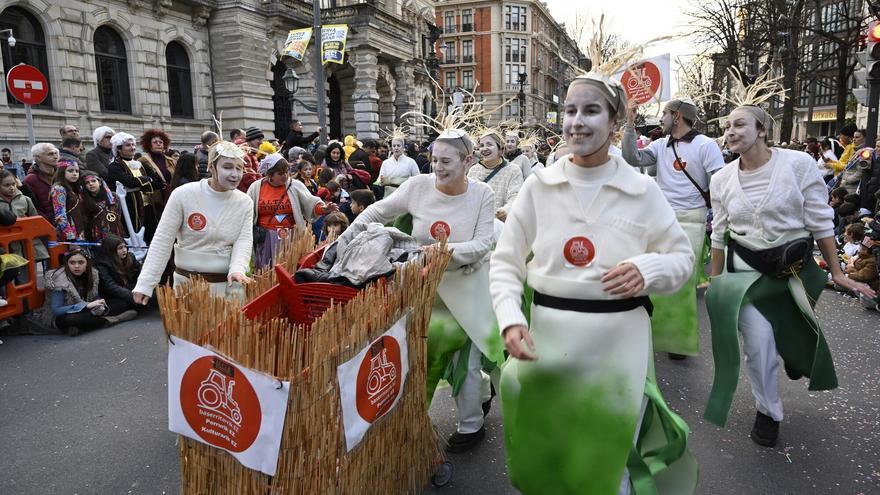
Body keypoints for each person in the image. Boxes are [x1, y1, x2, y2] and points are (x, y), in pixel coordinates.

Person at [489, 69, 697, 494]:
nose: (576, 121)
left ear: (615, 122)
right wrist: (511, 319)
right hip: (546, 347)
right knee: (549, 455)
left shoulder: (641, 190)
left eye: (590, 111)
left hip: (617, 350)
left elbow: (682, 259)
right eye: (569, 110)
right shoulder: (538, 186)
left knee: (606, 462)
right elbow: (506, 263)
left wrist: (648, 270)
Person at [703, 101, 876, 448]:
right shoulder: (720, 178)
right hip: (745, 273)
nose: (730, 132)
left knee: (784, 331)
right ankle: (768, 412)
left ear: (762, 130)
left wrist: (839, 273)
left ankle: (793, 350)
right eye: (727, 127)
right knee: (758, 342)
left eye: (739, 125)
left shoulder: (797, 165)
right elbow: (719, 233)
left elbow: (819, 219)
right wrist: (717, 281)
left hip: (793, 272)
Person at [340, 124, 502, 454]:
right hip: (422, 283)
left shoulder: (482, 195)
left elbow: (485, 241)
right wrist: (346, 237)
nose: (438, 168)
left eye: (447, 162)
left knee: (465, 363)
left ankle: (471, 425)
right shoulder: (418, 186)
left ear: (467, 161)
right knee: (421, 355)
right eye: (434, 160)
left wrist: (446, 251)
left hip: (468, 284)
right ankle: (474, 397)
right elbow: (377, 210)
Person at [622, 97, 725, 360]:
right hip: (660, 219)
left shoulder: (706, 146)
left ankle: (678, 341)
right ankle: (653, 335)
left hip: (691, 219)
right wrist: (630, 125)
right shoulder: (660, 144)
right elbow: (631, 158)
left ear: (677, 116)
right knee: (652, 276)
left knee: (681, 281)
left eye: (665, 113)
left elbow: (720, 184)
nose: (661, 118)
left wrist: (720, 220)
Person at [132, 138, 254, 303]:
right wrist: (145, 283)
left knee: (224, 328)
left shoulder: (244, 201)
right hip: (187, 286)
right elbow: (163, 239)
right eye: (227, 167)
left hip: (227, 286)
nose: (235, 174)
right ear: (211, 167)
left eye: (239, 168)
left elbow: (244, 239)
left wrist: (238, 268)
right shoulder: (183, 194)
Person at [247, 153, 337, 269]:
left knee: (289, 269)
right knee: (266, 271)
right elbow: (247, 211)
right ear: (270, 175)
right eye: (280, 174)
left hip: (291, 237)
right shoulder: (256, 187)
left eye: (286, 171)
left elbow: (310, 202)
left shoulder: (295, 185)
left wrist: (323, 209)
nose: (285, 176)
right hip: (266, 239)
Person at [34, 249, 137, 336]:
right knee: (70, 320)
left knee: (121, 304)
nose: (76, 266)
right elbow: (57, 310)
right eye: (72, 263)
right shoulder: (59, 279)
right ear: (67, 264)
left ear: (87, 263)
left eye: (81, 262)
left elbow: (95, 296)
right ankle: (113, 319)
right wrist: (86, 306)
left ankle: (79, 327)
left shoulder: (92, 274)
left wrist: (99, 304)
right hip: (63, 315)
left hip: (87, 310)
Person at [106, 133, 162, 242]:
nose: (133, 147)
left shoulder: (140, 164)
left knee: (153, 236)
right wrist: (147, 180)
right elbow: (129, 182)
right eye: (128, 145)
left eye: (133, 144)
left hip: (149, 206)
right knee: (135, 238)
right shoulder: (115, 166)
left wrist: (139, 184)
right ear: (119, 149)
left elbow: (158, 183)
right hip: (130, 207)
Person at [468, 130, 523, 223]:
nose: (484, 148)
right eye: (482, 145)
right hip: (475, 225)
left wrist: (506, 210)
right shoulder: (474, 170)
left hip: (501, 226)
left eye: (489, 144)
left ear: (500, 150)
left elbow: (516, 197)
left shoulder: (513, 171)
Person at [95, 234, 144, 311]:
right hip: (114, 296)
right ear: (111, 250)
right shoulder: (102, 264)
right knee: (121, 305)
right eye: (120, 248)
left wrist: (142, 289)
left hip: (130, 289)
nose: (124, 250)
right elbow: (110, 286)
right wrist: (132, 296)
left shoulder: (130, 257)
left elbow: (140, 275)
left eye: (125, 247)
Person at [80, 170, 125, 246]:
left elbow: (119, 214)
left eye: (93, 181)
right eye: (87, 183)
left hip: (116, 232)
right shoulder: (84, 201)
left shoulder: (113, 196)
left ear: (100, 182)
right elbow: (86, 221)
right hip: (98, 236)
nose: (91, 184)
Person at [50, 160, 85, 242]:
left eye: (77, 171)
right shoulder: (59, 188)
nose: (74, 173)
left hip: (79, 228)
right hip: (69, 234)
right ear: (62, 172)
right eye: (70, 170)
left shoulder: (75, 188)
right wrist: (70, 237)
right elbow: (60, 215)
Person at [23, 143, 59, 222]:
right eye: (50, 154)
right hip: (47, 225)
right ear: (38, 158)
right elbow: (32, 208)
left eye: (55, 153)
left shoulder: (62, 175)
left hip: (68, 223)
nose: (55, 157)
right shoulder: (30, 180)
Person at [378, 132, 420, 197]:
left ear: (403, 147)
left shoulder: (410, 162)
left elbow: (417, 179)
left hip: (405, 195)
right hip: (389, 195)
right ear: (391, 148)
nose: (396, 148)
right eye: (394, 146)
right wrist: (381, 181)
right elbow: (380, 181)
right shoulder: (386, 163)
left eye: (398, 145)